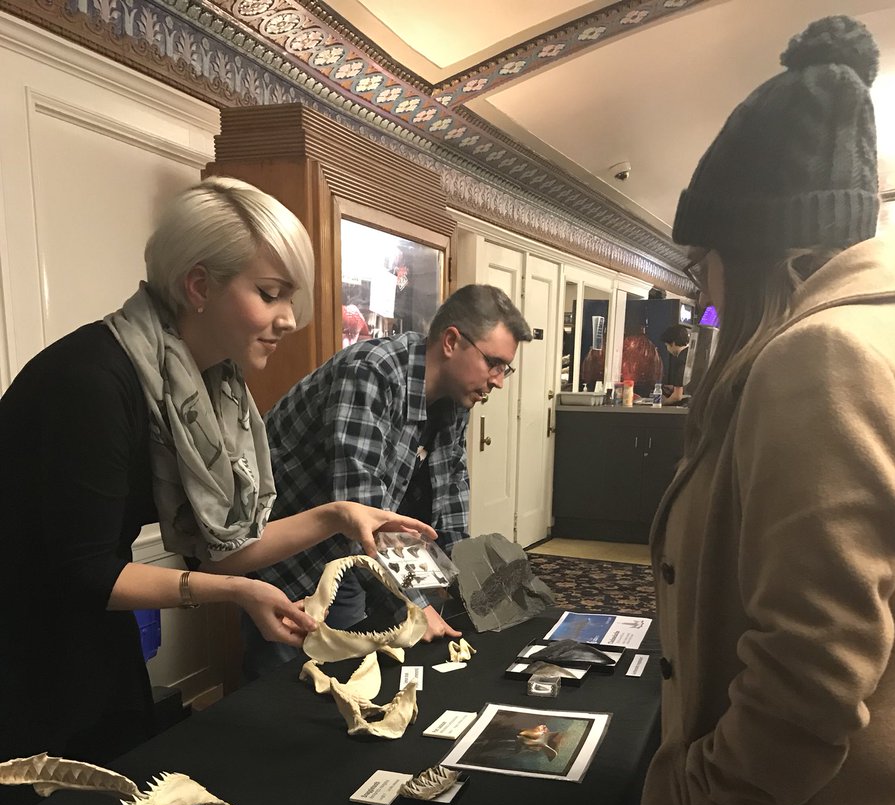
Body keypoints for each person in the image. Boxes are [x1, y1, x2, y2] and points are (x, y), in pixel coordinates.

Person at [627, 16, 895, 805]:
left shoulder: (818, 358)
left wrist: (699, 799)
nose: (701, 297)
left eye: (706, 269)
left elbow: (812, 665)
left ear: (764, 249)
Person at [0, 177, 434, 765]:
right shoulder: (90, 382)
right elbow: (85, 573)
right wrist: (230, 592)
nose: (288, 320)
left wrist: (336, 515)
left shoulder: (206, 388)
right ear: (199, 285)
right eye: (271, 293)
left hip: (86, 633)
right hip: (25, 645)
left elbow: (223, 547)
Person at [245, 284, 532, 675]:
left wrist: (471, 589)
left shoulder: (456, 395)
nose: (499, 380)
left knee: (348, 669)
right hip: (284, 557)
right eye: (493, 363)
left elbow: (451, 493)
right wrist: (419, 604)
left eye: (505, 368)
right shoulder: (371, 372)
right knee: (283, 684)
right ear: (451, 342)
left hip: (345, 551)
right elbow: (362, 506)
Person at [659, 322, 690, 405]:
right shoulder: (691, 354)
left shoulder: (680, 360)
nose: (667, 349)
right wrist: (674, 387)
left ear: (672, 343)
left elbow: (677, 396)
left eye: (666, 345)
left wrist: (663, 402)